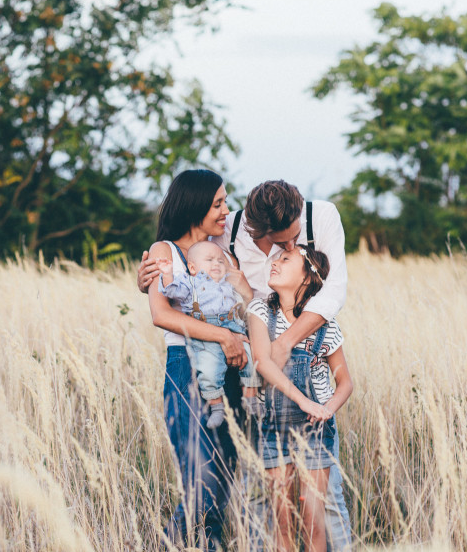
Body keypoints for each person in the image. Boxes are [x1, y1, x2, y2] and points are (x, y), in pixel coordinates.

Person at [139, 179, 353, 550]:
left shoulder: (229, 243)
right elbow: (170, 293)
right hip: (215, 367)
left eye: (294, 239)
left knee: (239, 479)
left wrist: (273, 340)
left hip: (257, 368)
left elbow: (323, 294)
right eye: (218, 204)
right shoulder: (206, 240)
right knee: (220, 482)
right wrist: (148, 280)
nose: (290, 247)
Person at [145, 169, 250, 549]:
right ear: (195, 205)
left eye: (225, 202)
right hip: (188, 370)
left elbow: (244, 305)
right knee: (201, 481)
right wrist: (224, 335)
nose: (226, 210)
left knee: (223, 478)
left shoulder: (222, 249)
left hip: (232, 374)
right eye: (218, 203)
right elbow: (162, 314)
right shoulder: (165, 251)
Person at [246, 245, 353, 552]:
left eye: (285, 259)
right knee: (282, 523)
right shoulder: (260, 312)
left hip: (315, 430)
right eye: (275, 259)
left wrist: (326, 409)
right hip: (273, 429)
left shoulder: (325, 325)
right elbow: (262, 363)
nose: (274, 263)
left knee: (313, 523)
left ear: (308, 277)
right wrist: (303, 400)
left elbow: (345, 383)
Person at [155, 240, 262, 429]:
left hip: (233, 328)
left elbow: (242, 307)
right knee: (209, 369)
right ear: (193, 267)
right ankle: (217, 407)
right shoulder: (190, 283)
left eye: (221, 261)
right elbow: (172, 292)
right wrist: (167, 274)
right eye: (210, 260)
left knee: (252, 356)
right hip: (205, 331)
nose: (217, 264)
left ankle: (251, 398)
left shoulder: (227, 283)